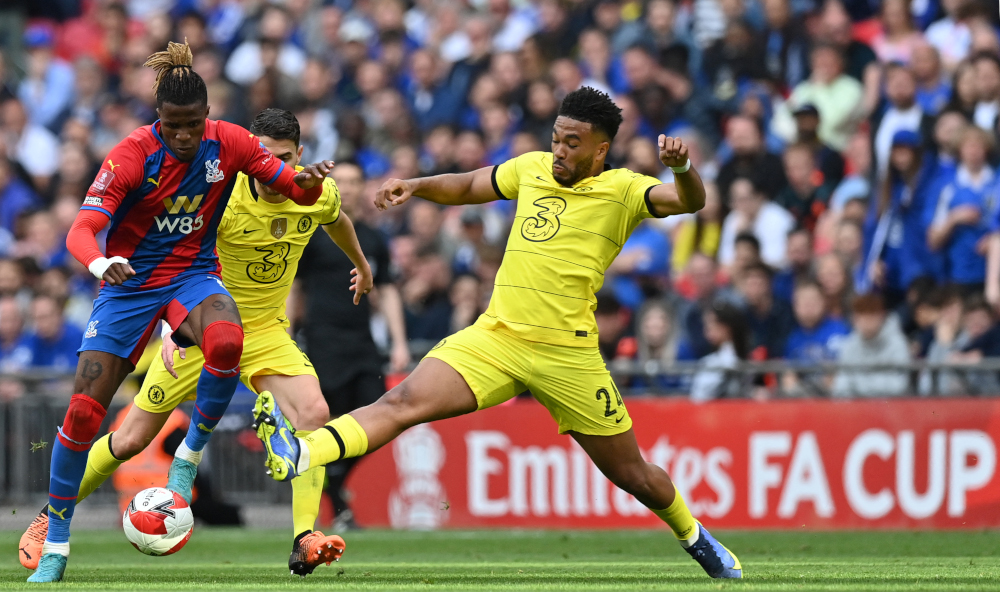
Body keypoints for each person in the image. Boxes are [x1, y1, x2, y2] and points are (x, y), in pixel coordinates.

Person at [254, 87, 743, 579]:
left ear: (600, 149)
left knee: (633, 475)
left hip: (567, 356)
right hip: (496, 338)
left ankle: (695, 536)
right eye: (556, 138)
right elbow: (468, 186)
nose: (559, 150)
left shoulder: (625, 190)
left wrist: (680, 167)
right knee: (401, 404)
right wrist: (417, 185)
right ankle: (302, 450)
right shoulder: (531, 168)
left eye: (573, 143)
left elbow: (688, 199)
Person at [20, 41, 335, 583]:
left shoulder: (229, 143)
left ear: (207, 116)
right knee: (83, 416)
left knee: (226, 341)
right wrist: (99, 266)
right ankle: (56, 540)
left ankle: (188, 459)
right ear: (157, 119)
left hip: (191, 278)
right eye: (173, 126)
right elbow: (80, 230)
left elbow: (293, 189)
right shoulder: (129, 156)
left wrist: (308, 184)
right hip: (126, 285)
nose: (184, 135)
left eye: (192, 124)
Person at [297, 161, 411, 532]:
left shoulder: (374, 238)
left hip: (362, 342)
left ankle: (336, 476)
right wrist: (284, 330)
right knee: (327, 420)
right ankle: (337, 502)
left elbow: (389, 289)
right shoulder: (313, 233)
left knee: (380, 420)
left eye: (353, 180)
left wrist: (399, 342)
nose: (346, 187)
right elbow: (294, 287)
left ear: (363, 186)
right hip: (323, 340)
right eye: (340, 181)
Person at [832, 293, 911, 398]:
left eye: (871, 316)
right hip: (857, 409)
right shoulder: (849, 344)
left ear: (881, 317)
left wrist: (859, 386)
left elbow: (899, 385)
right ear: (854, 319)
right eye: (862, 316)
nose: (867, 322)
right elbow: (841, 387)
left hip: (891, 408)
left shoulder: (898, 344)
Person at [690, 301, 749, 402]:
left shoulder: (740, 359)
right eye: (706, 323)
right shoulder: (708, 360)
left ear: (727, 327)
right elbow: (698, 397)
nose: (708, 328)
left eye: (713, 323)